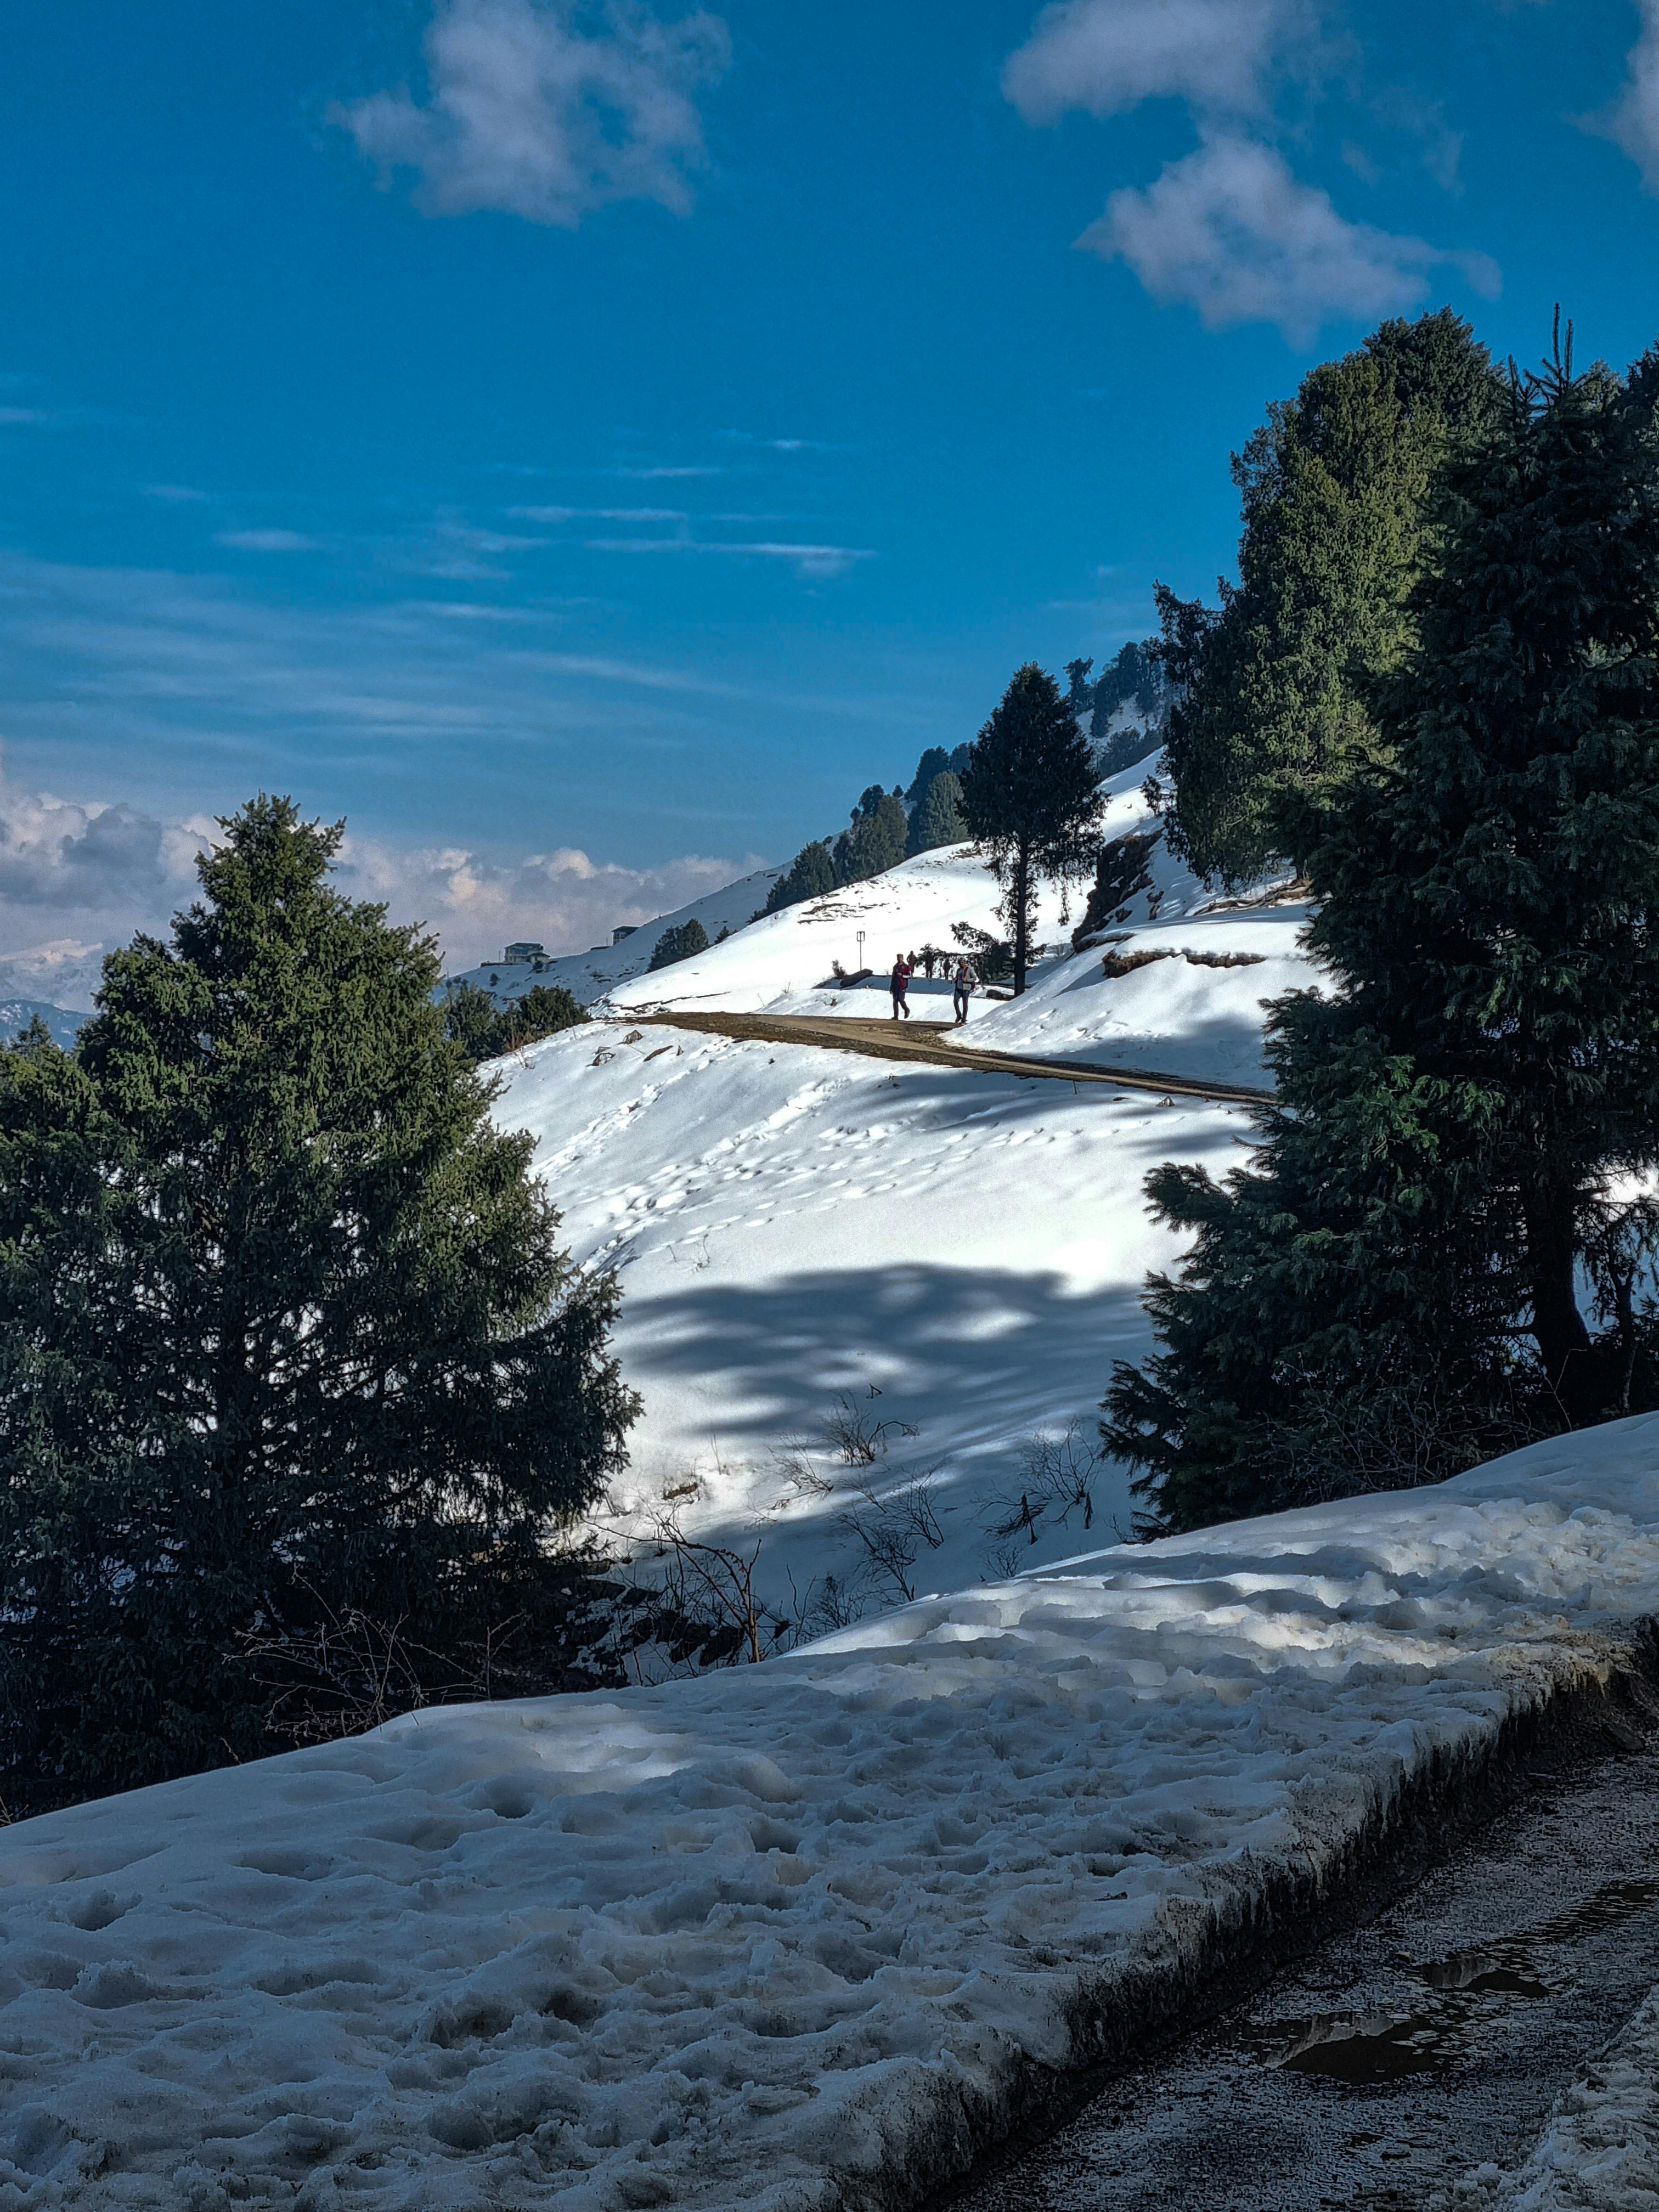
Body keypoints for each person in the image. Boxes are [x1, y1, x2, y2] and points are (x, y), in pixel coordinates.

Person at [890, 952, 913, 1019]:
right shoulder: (895, 967)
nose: (899, 959)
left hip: (902, 985)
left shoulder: (906, 967)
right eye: (898, 958)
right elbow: (893, 977)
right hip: (895, 986)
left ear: (903, 958)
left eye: (900, 958)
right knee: (895, 1001)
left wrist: (902, 975)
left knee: (901, 999)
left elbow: (909, 976)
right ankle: (896, 1016)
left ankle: (906, 1010)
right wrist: (891, 987)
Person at [952, 955, 973, 1026]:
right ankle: (959, 1015)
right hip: (958, 988)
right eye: (959, 963)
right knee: (955, 1002)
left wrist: (967, 980)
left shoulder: (969, 969)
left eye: (962, 962)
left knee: (965, 1004)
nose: (961, 964)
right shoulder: (959, 970)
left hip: (966, 989)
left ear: (964, 962)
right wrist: (956, 979)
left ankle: (964, 1019)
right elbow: (958, 977)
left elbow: (974, 978)